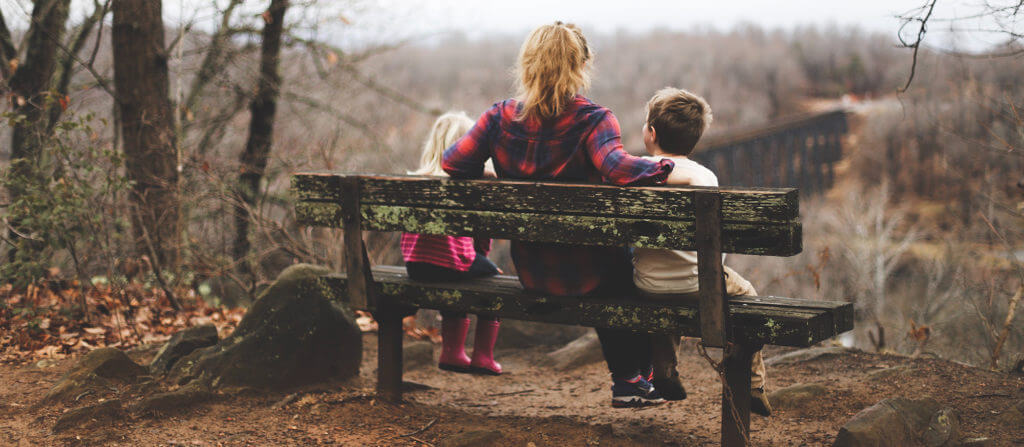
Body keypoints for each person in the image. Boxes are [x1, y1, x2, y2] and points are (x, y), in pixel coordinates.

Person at [442, 22, 676, 408]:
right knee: (625, 266)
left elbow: (452, 163)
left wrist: (488, 173)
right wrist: (665, 166)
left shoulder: (498, 118)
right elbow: (617, 168)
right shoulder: (594, 120)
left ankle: (634, 379)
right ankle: (632, 378)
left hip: (533, 272)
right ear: (582, 65)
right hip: (592, 275)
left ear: (527, 65)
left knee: (613, 264)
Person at [632, 87, 772, 416]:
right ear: (693, 140)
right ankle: (753, 383)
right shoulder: (705, 177)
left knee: (663, 289)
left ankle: (664, 370)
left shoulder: (634, 172)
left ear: (651, 134)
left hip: (647, 285)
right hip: (699, 284)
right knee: (748, 294)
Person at [403, 111, 504, 375]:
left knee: (458, 274)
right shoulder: (467, 183)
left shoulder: (416, 180)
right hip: (451, 263)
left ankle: (453, 352)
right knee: (493, 278)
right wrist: (482, 257)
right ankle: (482, 356)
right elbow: (481, 235)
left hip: (415, 266)